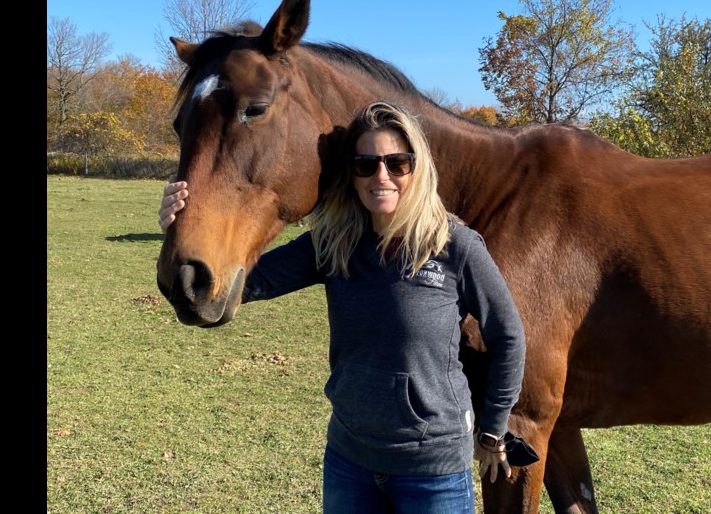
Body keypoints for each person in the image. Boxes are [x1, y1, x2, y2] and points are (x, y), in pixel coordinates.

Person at [159, 101, 527, 513]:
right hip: (349, 462)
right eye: (365, 164)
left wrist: (494, 431)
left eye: (397, 163)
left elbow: (508, 337)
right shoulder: (333, 243)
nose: (381, 175)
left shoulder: (455, 247)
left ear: (417, 168)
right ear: (351, 174)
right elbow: (237, 286)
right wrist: (186, 231)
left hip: (432, 470)